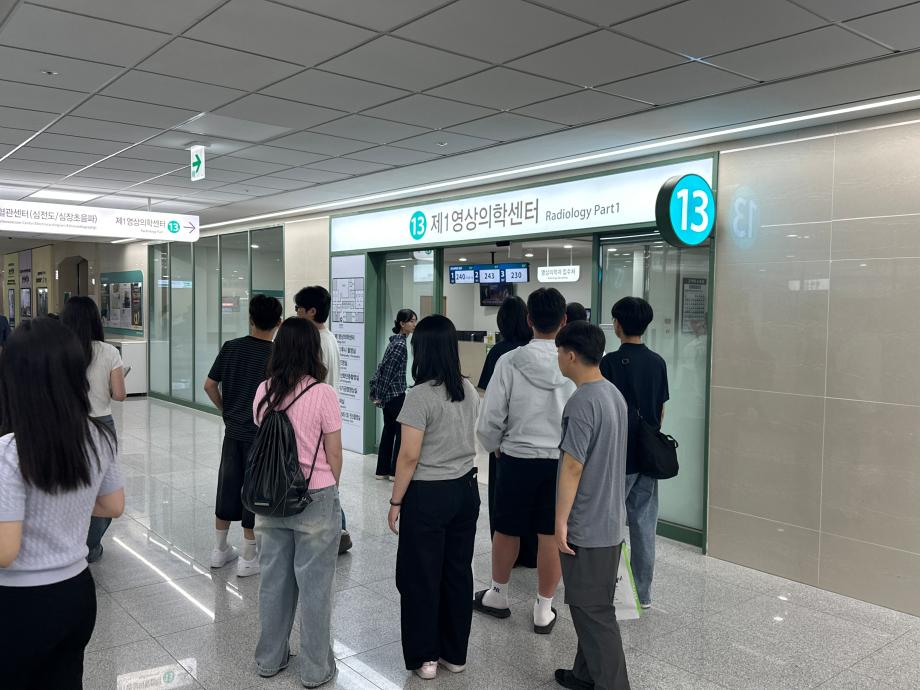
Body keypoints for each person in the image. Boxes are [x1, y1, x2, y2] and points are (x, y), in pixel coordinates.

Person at [0, 318, 125, 688]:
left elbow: (5, 552)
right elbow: (113, 506)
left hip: (19, 602)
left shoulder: (9, 451)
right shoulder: (98, 437)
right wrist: (65, 506)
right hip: (76, 592)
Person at [475, 288, 575, 634]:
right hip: (559, 463)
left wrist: (495, 446)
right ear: (564, 320)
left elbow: (489, 418)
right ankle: (543, 609)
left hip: (516, 458)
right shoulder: (573, 361)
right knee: (551, 534)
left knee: (507, 529)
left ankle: (498, 595)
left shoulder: (509, 361)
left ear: (529, 319)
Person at [388, 315, 480, 680]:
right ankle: (454, 654)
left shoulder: (420, 395)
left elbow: (409, 456)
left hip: (428, 495)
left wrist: (396, 502)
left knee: (421, 576)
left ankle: (426, 657)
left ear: (421, 350)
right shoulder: (467, 389)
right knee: (457, 573)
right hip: (466, 491)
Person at [252, 317, 343, 686]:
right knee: (315, 587)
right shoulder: (323, 393)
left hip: (270, 497)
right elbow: (334, 453)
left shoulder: (264, 391)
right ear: (312, 350)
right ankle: (315, 669)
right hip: (315, 496)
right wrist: (330, 487)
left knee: (273, 582)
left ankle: (269, 660)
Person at [554, 320, 631, 690]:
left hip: (588, 524)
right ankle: (584, 674)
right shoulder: (612, 394)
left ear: (570, 355)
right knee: (594, 602)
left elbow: (573, 466)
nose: (557, 358)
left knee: (593, 610)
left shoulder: (582, 402)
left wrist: (561, 521)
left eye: (558, 352)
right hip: (611, 519)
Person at [204, 294, 282, 577]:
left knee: (227, 485)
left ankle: (219, 550)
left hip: (233, 431)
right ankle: (248, 557)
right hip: (262, 436)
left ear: (250, 319)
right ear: (279, 322)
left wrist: (226, 410)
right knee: (254, 489)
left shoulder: (231, 347)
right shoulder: (277, 355)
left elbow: (209, 385)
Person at [599, 297, 669, 610]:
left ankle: (609, 588)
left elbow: (604, 410)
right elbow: (661, 410)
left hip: (618, 455)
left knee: (610, 523)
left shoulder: (609, 363)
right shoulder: (658, 362)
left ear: (618, 325)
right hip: (649, 456)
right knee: (644, 525)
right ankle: (643, 593)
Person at [61, 296, 127, 563]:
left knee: (70, 484)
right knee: (102, 487)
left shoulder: (59, 350)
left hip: (68, 423)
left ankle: (70, 543)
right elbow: (119, 395)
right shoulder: (109, 352)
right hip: (101, 425)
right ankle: (91, 545)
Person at [476, 296, 537, 569]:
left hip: (506, 443)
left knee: (505, 504)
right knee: (536, 503)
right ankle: (531, 554)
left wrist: (492, 443)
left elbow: (488, 400)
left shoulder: (500, 353)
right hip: (538, 441)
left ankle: (507, 559)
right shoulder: (537, 350)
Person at [294, 286, 351, 555]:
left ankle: (338, 529)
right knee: (326, 475)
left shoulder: (313, 343)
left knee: (322, 479)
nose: (296, 313)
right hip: (327, 418)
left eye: (298, 309)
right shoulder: (330, 338)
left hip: (317, 419)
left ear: (311, 311)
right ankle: (339, 529)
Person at [370, 308, 417, 480]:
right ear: (402, 324)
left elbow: (383, 369)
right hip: (395, 395)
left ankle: (382, 471)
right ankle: (394, 472)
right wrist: (379, 396)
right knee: (399, 433)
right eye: (411, 321)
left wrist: (380, 395)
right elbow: (388, 373)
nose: (414, 324)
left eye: (415, 320)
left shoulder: (395, 341)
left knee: (388, 431)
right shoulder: (400, 345)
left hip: (390, 395)